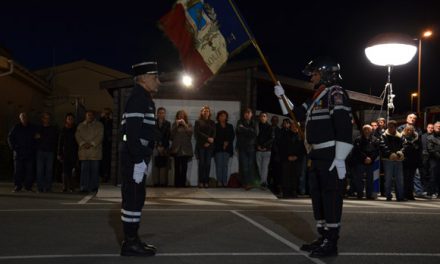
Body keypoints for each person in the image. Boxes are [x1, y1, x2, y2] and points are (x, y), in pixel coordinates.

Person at [274, 57, 353, 257]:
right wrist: (282, 97)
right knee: (318, 198)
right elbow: (296, 114)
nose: (311, 78)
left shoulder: (335, 93)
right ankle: (323, 235)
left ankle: (331, 242)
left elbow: (343, 126)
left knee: (331, 197)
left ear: (325, 74)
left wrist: (341, 157)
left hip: (330, 154)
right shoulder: (317, 97)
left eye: (314, 74)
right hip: (316, 154)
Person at [119, 61, 159, 256]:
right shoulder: (138, 98)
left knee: (137, 198)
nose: (158, 82)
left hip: (138, 156)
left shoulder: (143, 97)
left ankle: (133, 240)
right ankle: (130, 243)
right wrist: (139, 158)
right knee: (133, 199)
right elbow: (131, 134)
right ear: (143, 79)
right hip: (135, 157)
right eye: (154, 77)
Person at [75, 110, 104, 193]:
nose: (90, 117)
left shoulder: (99, 125)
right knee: (84, 170)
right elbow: (77, 135)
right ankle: (84, 187)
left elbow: (100, 136)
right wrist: (83, 143)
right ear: (85, 116)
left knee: (94, 170)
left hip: (95, 152)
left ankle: (94, 187)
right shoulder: (80, 126)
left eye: (91, 115)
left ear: (94, 116)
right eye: (88, 115)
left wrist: (91, 144)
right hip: (84, 152)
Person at [7, 112, 36, 192]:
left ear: (27, 118)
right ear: (20, 119)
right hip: (19, 153)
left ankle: (28, 186)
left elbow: (37, 137)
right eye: (22, 117)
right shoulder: (16, 127)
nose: (24, 119)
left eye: (25, 117)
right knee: (18, 171)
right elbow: (10, 137)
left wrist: (33, 147)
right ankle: (17, 186)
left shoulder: (32, 127)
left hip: (29, 153)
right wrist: (13, 148)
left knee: (29, 171)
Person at [379, 120, 405, 201]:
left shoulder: (400, 136)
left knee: (399, 179)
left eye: (392, 126)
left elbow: (404, 145)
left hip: (398, 159)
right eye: (389, 126)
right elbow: (382, 146)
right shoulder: (383, 135)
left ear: (395, 127)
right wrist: (390, 154)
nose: (390, 128)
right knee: (388, 178)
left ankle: (400, 196)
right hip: (388, 159)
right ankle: (388, 195)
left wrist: (400, 152)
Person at [352, 125, 379, 199]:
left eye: (368, 129)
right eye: (365, 129)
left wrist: (371, 158)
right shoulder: (358, 139)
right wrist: (365, 157)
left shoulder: (375, 139)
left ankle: (369, 195)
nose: (367, 131)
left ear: (371, 131)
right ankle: (360, 194)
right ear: (363, 131)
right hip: (360, 161)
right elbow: (357, 151)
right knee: (359, 179)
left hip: (370, 162)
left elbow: (376, 151)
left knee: (370, 179)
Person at [35, 112, 58, 193]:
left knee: (49, 170)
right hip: (40, 152)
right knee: (40, 170)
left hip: (50, 152)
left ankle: (48, 187)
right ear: (42, 119)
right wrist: (44, 137)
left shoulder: (53, 129)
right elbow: (35, 138)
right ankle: (40, 187)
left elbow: (52, 139)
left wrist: (42, 137)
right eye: (45, 117)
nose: (46, 119)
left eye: (48, 118)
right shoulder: (38, 128)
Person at [170, 110, 193, 187]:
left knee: (184, 168)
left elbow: (190, 133)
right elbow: (171, 136)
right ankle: (177, 184)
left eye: (182, 115)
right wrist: (176, 125)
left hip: (185, 149)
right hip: (176, 149)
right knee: (176, 167)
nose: (181, 116)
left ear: (184, 116)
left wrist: (185, 125)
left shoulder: (189, 124)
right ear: (177, 116)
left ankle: (183, 184)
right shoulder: (174, 124)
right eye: (179, 115)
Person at [194, 106, 216, 188]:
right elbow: (197, 133)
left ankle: (206, 181)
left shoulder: (212, 122)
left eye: (207, 111)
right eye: (204, 111)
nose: (206, 112)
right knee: (201, 164)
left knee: (208, 164)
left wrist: (209, 141)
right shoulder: (198, 121)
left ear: (209, 113)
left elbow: (214, 133)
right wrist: (207, 139)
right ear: (201, 112)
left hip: (210, 146)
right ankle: (200, 181)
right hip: (201, 145)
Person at [236, 108, 257, 190]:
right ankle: (246, 184)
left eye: (249, 113)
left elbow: (254, 133)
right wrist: (249, 131)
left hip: (251, 147)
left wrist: (244, 129)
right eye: (246, 113)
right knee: (244, 166)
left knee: (250, 166)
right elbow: (238, 130)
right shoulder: (239, 122)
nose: (247, 114)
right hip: (242, 147)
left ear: (251, 114)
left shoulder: (254, 122)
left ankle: (250, 183)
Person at [58, 113, 78, 192]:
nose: (70, 120)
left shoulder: (76, 129)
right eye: (68, 118)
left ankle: (72, 186)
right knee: (64, 170)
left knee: (73, 170)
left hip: (74, 152)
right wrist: (59, 153)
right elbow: (60, 142)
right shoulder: (63, 129)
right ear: (66, 120)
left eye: (71, 118)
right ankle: (64, 186)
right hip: (65, 152)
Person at [214, 110, 235, 187]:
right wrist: (222, 143)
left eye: (224, 115)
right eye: (221, 116)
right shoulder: (215, 126)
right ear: (218, 117)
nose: (222, 117)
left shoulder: (230, 126)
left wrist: (226, 143)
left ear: (226, 117)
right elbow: (215, 137)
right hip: (218, 148)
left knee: (225, 166)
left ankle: (225, 181)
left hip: (227, 148)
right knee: (219, 166)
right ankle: (219, 181)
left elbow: (232, 136)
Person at [401, 125, 422, 200]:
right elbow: (402, 148)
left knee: (411, 178)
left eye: (411, 130)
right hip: (405, 160)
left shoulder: (416, 138)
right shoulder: (402, 138)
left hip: (413, 161)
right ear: (406, 130)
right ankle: (404, 194)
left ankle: (410, 194)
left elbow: (419, 149)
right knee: (405, 178)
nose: (409, 131)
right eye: (408, 130)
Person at [152, 107, 171, 187]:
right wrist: (157, 145)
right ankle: (156, 183)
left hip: (164, 146)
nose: (161, 114)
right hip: (155, 146)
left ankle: (163, 183)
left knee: (163, 165)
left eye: (163, 113)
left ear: (165, 114)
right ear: (157, 114)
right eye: (160, 113)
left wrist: (162, 146)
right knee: (155, 165)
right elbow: (152, 135)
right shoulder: (153, 122)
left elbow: (167, 136)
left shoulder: (167, 123)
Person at [255, 112, 274, 189]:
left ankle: (263, 183)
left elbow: (272, 138)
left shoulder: (270, 127)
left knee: (265, 167)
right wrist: (258, 146)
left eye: (264, 116)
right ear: (259, 117)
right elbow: (255, 137)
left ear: (267, 118)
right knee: (259, 167)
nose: (263, 117)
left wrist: (264, 146)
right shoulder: (256, 126)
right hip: (258, 150)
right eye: (261, 116)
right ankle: (263, 182)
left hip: (267, 150)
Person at [427, 122, 440, 198]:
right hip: (434, 160)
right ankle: (431, 192)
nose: (439, 127)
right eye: (437, 126)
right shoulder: (430, 137)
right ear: (434, 127)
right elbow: (430, 149)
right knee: (433, 176)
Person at [100, 107, 113, 183]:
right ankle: (102, 175)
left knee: (108, 160)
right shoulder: (100, 121)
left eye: (108, 113)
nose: (106, 115)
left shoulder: (111, 121)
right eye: (105, 113)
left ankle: (106, 175)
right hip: (102, 142)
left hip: (109, 143)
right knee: (102, 160)